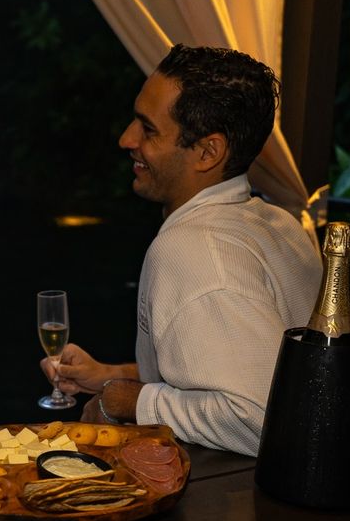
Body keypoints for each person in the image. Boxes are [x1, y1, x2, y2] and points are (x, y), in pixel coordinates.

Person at [42, 44, 321, 457]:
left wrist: (126, 401)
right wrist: (107, 375)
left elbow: (264, 418)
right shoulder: (278, 224)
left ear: (208, 152)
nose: (126, 139)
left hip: (231, 492)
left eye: (148, 129)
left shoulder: (193, 251)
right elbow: (224, 370)